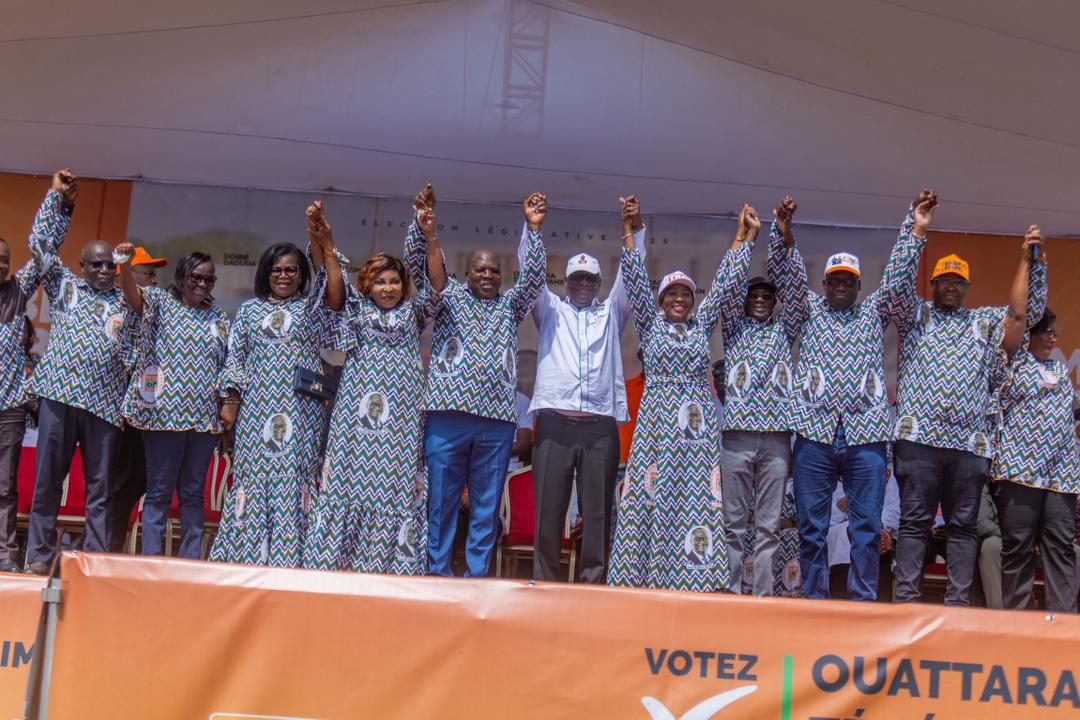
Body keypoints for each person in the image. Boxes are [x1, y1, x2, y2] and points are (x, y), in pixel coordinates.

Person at [771, 189, 935, 600]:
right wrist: (785, 233)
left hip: (865, 438)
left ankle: (862, 604)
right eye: (835, 279)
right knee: (812, 528)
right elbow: (786, 274)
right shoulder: (807, 309)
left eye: (849, 280)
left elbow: (898, 278)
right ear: (824, 282)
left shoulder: (873, 311)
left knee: (866, 528)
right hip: (814, 436)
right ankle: (815, 602)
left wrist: (913, 227)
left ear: (859, 284)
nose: (842, 285)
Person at [892, 222, 1048, 606]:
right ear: (931, 284)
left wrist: (1028, 262)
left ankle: (958, 607)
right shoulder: (916, 315)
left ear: (967, 288)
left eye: (958, 282)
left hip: (968, 445)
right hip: (918, 441)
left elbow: (1021, 315)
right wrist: (915, 232)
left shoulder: (982, 322)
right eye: (943, 280)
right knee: (914, 525)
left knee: (963, 528)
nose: (950, 286)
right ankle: (906, 604)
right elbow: (895, 288)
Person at [303, 189, 444, 574]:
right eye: (379, 281)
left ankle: (389, 569)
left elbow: (435, 286)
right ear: (367, 284)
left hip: (401, 418)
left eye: (394, 281)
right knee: (348, 486)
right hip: (356, 418)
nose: (388, 288)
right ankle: (338, 564)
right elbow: (332, 294)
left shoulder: (415, 311)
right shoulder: (356, 310)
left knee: (395, 491)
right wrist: (328, 244)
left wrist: (427, 231)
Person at [607, 199, 737, 592]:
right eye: (672, 294)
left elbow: (725, 283)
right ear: (661, 301)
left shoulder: (701, 328)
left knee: (694, 504)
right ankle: (643, 578)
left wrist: (742, 238)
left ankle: (693, 581)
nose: (680, 299)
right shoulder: (650, 326)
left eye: (685, 294)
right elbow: (633, 278)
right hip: (659, 427)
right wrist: (631, 228)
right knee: (650, 498)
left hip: (696, 436)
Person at [422, 190, 547, 578]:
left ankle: (476, 575)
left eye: (495, 270)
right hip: (449, 416)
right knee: (441, 500)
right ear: (468, 272)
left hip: (495, 422)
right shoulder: (453, 296)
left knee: (487, 503)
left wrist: (534, 229)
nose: (489, 276)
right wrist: (430, 236)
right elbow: (437, 274)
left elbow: (535, 279)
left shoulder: (510, 306)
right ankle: (438, 572)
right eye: (481, 269)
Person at [524, 196, 645, 584]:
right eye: (576, 278)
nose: (582, 285)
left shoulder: (612, 313)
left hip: (599, 429)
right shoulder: (550, 310)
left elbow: (634, 277)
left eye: (589, 279)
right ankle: (545, 584)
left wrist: (632, 230)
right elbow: (530, 276)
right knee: (549, 510)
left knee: (597, 513)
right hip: (555, 424)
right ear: (567, 281)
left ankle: (593, 586)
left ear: (597, 284)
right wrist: (534, 229)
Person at [24, 170, 133, 574]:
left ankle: (96, 560)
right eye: (98, 264)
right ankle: (37, 554)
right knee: (48, 481)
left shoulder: (126, 300)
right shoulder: (65, 287)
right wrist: (60, 202)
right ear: (82, 265)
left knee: (101, 489)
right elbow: (40, 246)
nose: (106, 270)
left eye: (110, 265)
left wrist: (130, 270)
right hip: (59, 397)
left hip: (104, 406)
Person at [211, 232, 332, 567]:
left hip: (302, 410)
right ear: (265, 273)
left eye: (292, 270)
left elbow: (328, 281)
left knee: (295, 478)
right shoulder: (250, 311)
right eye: (277, 270)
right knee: (254, 479)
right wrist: (230, 403)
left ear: (301, 275)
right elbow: (235, 358)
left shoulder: (313, 309)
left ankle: (292, 561)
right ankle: (246, 560)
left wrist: (321, 239)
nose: (283, 276)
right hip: (257, 409)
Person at [115, 244, 230, 559]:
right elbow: (132, 296)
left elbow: (227, 365)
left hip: (204, 420)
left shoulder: (219, 317)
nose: (202, 284)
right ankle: (153, 561)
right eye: (196, 277)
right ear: (182, 276)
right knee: (159, 492)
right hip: (164, 416)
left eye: (209, 279)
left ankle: (189, 562)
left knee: (193, 494)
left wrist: (227, 404)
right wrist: (124, 264)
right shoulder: (160, 303)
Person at [716, 198, 801, 596]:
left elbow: (797, 290)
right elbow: (728, 289)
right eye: (755, 294)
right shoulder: (733, 327)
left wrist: (783, 233)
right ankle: (732, 597)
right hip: (736, 437)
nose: (761, 298)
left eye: (768, 294)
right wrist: (744, 239)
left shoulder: (786, 330)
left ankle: (764, 601)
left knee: (768, 528)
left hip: (777, 439)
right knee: (733, 525)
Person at [993, 241, 1077, 611]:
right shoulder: (1012, 364)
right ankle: (1016, 624)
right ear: (1032, 335)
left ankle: (1065, 624)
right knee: (1018, 550)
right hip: (1019, 474)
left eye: (1056, 333)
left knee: (1060, 548)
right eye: (1049, 333)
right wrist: (1034, 262)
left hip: (1060, 478)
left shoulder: (1059, 370)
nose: (1055, 339)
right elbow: (1025, 312)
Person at [107, 246, 167, 552]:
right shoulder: (117, 307)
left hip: (141, 410)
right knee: (120, 481)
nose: (155, 281)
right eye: (150, 273)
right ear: (125, 277)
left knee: (135, 481)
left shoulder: (153, 308)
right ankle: (106, 544)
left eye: (156, 274)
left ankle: (109, 543)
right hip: (116, 410)